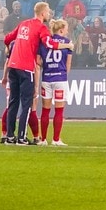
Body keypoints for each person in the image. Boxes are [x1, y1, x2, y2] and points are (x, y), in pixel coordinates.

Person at [2, 2, 70, 145]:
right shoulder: (41, 27)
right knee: (26, 103)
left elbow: (7, 38)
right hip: (26, 68)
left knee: (13, 102)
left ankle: (9, 136)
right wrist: (67, 45)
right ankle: (21, 137)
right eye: (48, 11)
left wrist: (8, 48)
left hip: (12, 66)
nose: (50, 13)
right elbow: (50, 44)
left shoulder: (23, 23)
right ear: (43, 13)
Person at [37, 18, 72, 146]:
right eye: (66, 29)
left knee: (45, 110)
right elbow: (68, 65)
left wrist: (47, 66)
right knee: (59, 110)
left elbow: (38, 61)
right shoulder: (67, 43)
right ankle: (56, 139)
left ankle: (43, 139)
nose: (67, 31)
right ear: (61, 29)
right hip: (60, 79)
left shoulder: (45, 43)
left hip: (46, 78)